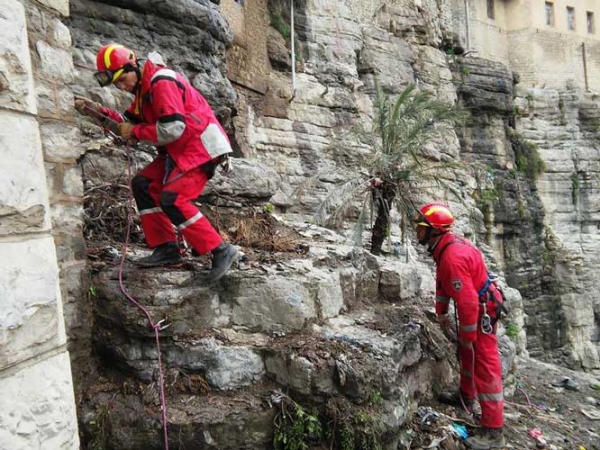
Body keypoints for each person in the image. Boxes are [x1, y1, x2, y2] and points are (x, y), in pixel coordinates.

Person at [75, 44, 238, 282]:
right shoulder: (143, 94)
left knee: (173, 198)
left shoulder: (162, 82)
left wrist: (136, 131)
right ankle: (166, 248)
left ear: (133, 66)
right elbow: (124, 125)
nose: (122, 87)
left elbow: (172, 129)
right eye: (117, 84)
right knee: (143, 184)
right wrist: (97, 112)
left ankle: (221, 250)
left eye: (122, 80)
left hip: (200, 148)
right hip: (179, 151)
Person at [414, 202, 506, 449]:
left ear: (433, 230)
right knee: (468, 355)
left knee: (485, 364)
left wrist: (466, 336)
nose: (416, 230)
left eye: (420, 227)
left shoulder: (452, 257)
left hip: (482, 311)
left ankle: (493, 431)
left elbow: (467, 304)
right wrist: (441, 313)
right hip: (479, 306)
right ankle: (466, 397)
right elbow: (444, 283)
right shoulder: (444, 248)